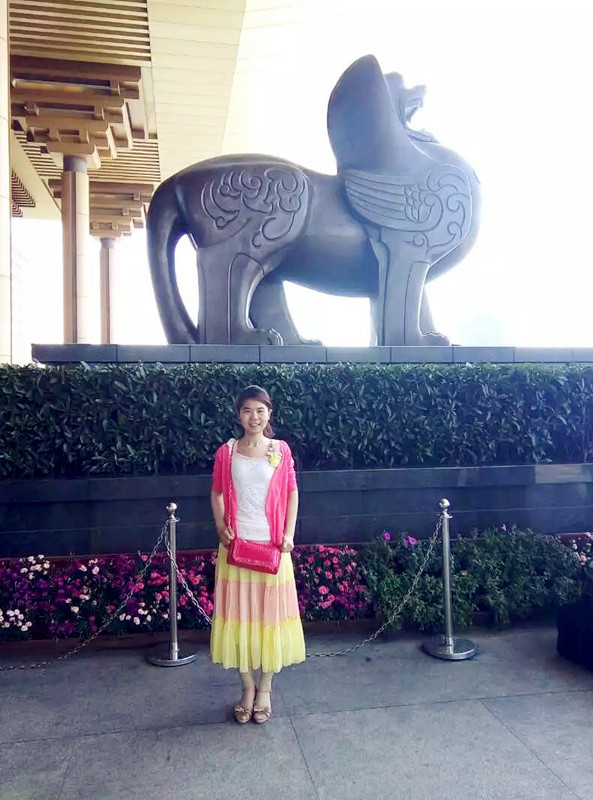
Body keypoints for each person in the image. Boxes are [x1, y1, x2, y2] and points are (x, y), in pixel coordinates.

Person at [210, 385, 306, 724]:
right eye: (248, 410)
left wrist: (289, 534)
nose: (254, 417)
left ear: (269, 414)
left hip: (272, 548)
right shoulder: (227, 452)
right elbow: (217, 493)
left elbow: (292, 492)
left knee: (269, 619)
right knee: (238, 618)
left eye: (260, 410)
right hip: (236, 548)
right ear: (239, 415)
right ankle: (246, 688)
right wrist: (221, 526)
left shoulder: (281, 450)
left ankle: (265, 688)